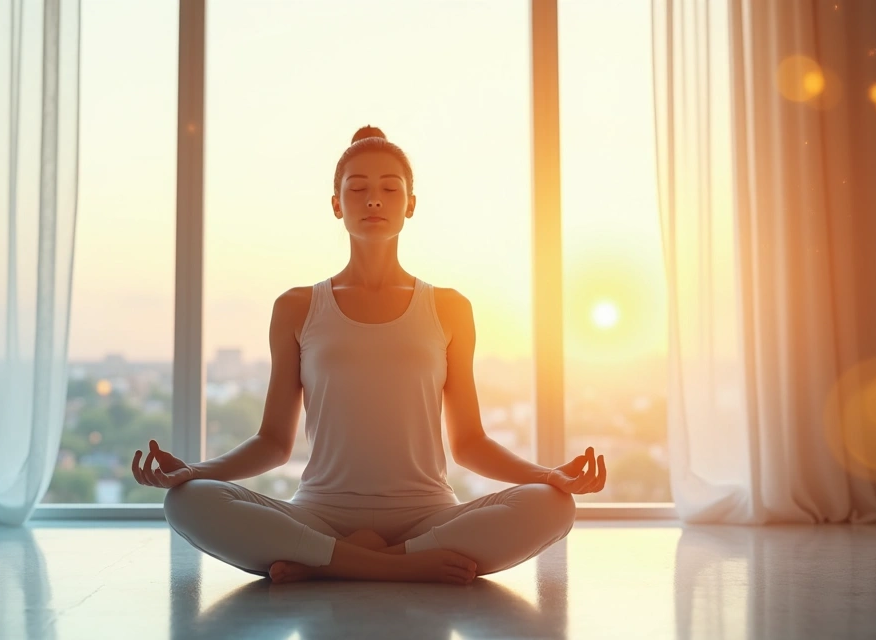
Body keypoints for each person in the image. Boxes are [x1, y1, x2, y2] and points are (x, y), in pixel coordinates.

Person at [131, 125, 607, 586]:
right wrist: (195, 472)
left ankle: (333, 565)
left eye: (389, 189)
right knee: (185, 500)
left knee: (555, 505)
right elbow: (274, 442)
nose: (373, 199)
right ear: (337, 205)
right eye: (357, 189)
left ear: (411, 204)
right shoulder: (296, 307)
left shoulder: (450, 308)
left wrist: (549, 476)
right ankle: (400, 567)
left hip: (428, 516)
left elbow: (469, 443)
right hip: (320, 514)